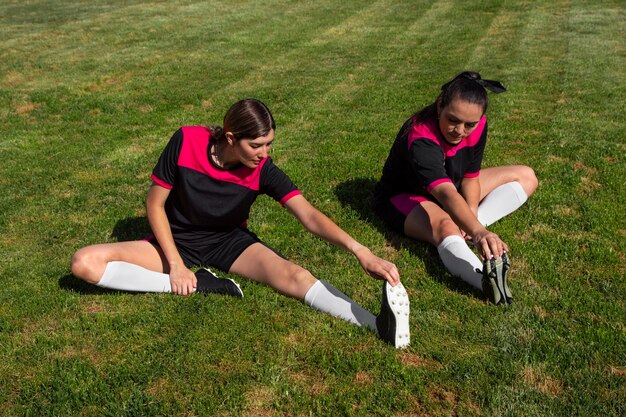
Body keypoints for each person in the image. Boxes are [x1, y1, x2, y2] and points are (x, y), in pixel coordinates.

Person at [71, 98, 410, 348]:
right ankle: (203, 283)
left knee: (295, 276)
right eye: (257, 145)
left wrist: (360, 251)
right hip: (175, 242)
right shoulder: (187, 141)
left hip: (229, 241)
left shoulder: (263, 170)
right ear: (230, 138)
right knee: (85, 263)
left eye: (269, 144)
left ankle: (376, 326)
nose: (265, 153)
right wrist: (175, 265)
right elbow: (154, 204)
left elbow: (308, 215)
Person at [373, 72, 538, 305]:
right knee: (446, 225)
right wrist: (479, 231)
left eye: (469, 124)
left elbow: (470, 178)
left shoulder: (478, 125)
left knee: (526, 177)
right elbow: (446, 193)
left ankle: (466, 231)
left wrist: (471, 218)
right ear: (440, 105)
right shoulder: (421, 137)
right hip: (406, 196)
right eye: (453, 120)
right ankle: (483, 280)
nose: (459, 131)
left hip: (452, 185)